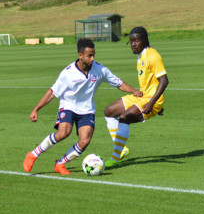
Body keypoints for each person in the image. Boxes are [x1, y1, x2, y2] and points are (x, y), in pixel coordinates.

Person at [23, 38, 142, 175]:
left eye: (93, 55)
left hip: (87, 109)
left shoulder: (100, 69)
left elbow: (118, 83)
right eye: (89, 56)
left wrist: (134, 91)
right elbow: (52, 93)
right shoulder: (68, 73)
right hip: (68, 106)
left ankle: (60, 163)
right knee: (64, 133)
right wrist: (36, 109)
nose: (92, 58)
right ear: (80, 55)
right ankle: (33, 154)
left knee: (85, 140)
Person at [104, 26, 169, 168]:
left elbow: (164, 80)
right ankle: (122, 149)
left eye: (136, 41)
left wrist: (153, 104)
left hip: (150, 100)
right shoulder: (141, 56)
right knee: (109, 112)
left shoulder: (152, 56)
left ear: (144, 40)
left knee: (124, 118)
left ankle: (116, 157)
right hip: (144, 96)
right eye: (131, 41)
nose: (133, 44)